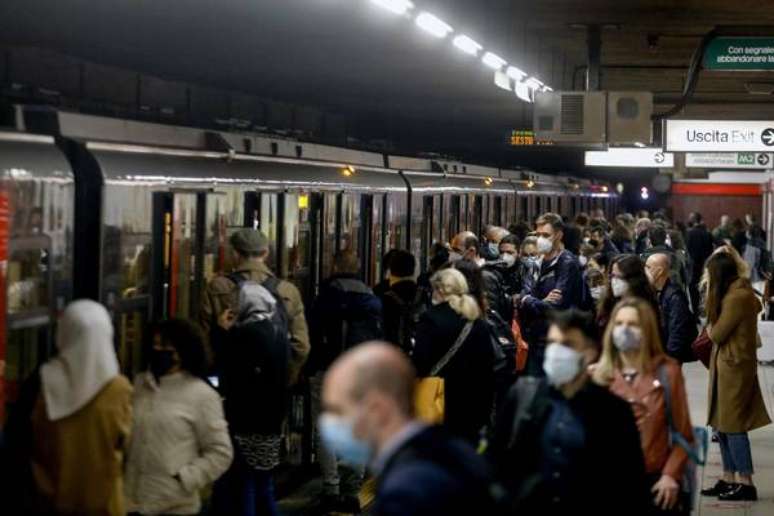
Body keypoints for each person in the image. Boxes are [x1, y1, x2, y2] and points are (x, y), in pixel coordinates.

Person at [491, 309, 648, 513]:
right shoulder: (524, 396)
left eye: (567, 345)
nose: (557, 352)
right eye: (553, 343)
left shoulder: (614, 412)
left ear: (590, 352)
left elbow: (630, 485)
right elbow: (497, 464)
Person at [320, 342, 497, 515]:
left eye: (338, 410)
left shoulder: (404, 494)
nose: (329, 423)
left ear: (377, 409)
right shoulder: (453, 452)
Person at [4, 300, 132, 515]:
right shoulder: (118, 388)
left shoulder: (41, 381)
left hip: (48, 500)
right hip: (103, 503)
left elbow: (17, 440)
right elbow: (127, 444)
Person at [593, 298, 695, 515]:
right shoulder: (596, 376)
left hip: (653, 483)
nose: (624, 330)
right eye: (619, 324)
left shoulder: (667, 372)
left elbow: (684, 435)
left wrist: (670, 474)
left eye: (633, 324)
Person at [125, 319, 233, 516]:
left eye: (165, 347)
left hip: (175, 506)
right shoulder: (140, 385)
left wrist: (186, 479)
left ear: (184, 352)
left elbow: (220, 452)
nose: (158, 352)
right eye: (155, 346)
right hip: (132, 503)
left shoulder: (202, 395)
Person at [307, 250, 383, 513]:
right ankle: (352, 490)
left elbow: (313, 334)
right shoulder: (371, 299)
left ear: (335, 266)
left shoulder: (326, 296)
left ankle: (331, 488)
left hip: (329, 370)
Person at [700, 252, 771, 501]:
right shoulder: (735, 293)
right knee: (722, 423)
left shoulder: (736, 298)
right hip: (729, 365)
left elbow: (717, 334)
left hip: (734, 367)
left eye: (710, 275)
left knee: (734, 426)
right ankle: (728, 477)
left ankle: (746, 482)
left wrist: (710, 320)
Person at [199, 228, 310, 387]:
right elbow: (301, 346)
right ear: (265, 253)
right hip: (273, 385)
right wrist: (284, 377)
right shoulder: (287, 291)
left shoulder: (217, 287)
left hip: (231, 381)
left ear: (235, 254)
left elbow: (204, 339)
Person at [413, 268, 494, 444]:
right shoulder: (477, 322)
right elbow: (488, 368)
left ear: (440, 290)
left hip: (439, 402)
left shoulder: (431, 319)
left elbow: (420, 362)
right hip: (473, 405)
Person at [518, 213, 585, 376]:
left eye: (546, 235)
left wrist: (529, 300)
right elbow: (522, 295)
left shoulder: (567, 263)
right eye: (538, 235)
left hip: (558, 341)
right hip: (534, 338)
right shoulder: (536, 262)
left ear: (559, 235)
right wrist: (532, 300)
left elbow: (556, 305)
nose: (540, 239)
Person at [645, 254, 697, 364]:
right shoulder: (656, 292)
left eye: (648, 267)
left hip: (669, 358)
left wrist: (669, 359)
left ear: (659, 271)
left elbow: (677, 331)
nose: (645, 271)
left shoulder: (675, 296)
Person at [597, 254, 659, 332]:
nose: (614, 281)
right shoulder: (608, 302)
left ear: (633, 279)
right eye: (612, 276)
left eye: (618, 277)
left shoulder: (646, 307)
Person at [380, 250, 423, 353]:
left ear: (390, 270)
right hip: (418, 348)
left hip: (390, 351)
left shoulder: (382, 294)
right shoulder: (424, 293)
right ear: (413, 269)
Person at [641, 225, 688, 290]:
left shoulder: (642, 259)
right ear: (665, 238)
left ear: (649, 240)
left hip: (649, 295)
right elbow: (685, 281)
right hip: (672, 294)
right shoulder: (675, 258)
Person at [685, 212, 714, 313]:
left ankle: (695, 311)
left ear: (693, 220)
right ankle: (704, 308)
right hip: (705, 264)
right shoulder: (707, 233)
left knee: (693, 288)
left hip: (694, 265)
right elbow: (711, 249)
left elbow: (687, 249)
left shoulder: (690, 233)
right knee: (705, 287)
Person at [742, 224, 770, 295]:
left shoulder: (750, 245)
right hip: (763, 275)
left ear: (749, 233)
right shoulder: (763, 243)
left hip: (755, 277)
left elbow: (750, 263)